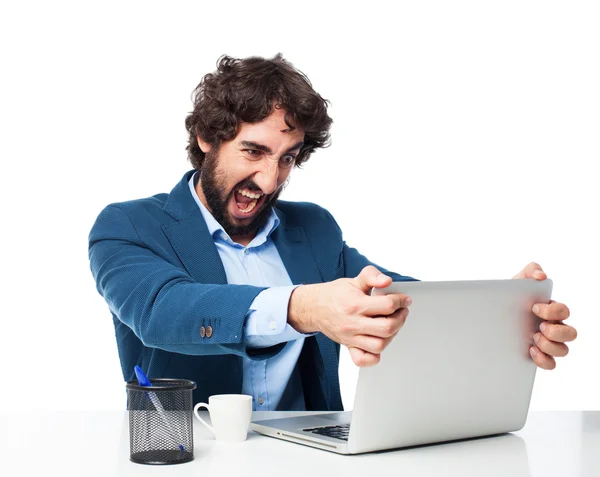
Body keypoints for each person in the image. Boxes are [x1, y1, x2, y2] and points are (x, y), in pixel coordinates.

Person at [88, 53, 577, 411]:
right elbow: (163, 310)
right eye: (254, 152)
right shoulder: (128, 225)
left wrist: (507, 313)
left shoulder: (313, 228)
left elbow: (397, 300)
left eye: (288, 159)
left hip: (313, 463)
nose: (269, 181)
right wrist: (305, 307)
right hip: (190, 460)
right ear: (206, 139)